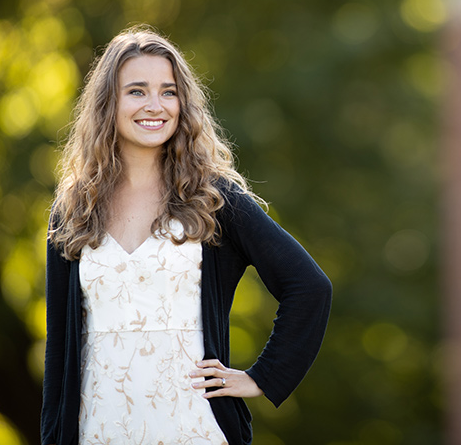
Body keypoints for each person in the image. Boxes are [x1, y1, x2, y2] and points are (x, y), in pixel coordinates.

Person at [41, 26, 332, 445]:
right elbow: (60, 352)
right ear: (109, 103)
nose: (155, 105)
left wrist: (262, 378)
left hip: (194, 428)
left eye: (169, 92)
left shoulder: (213, 199)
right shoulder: (73, 210)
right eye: (137, 91)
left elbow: (309, 286)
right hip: (96, 430)